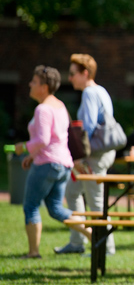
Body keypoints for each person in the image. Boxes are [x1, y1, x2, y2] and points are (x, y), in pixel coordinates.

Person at [15, 65, 91, 259]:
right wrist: (32, 156)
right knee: (56, 209)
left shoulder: (43, 109)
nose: (30, 85)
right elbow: (56, 138)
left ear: (44, 87)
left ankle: (33, 252)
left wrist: (23, 147)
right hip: (63, 164)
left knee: (31, 206)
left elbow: (43, 140)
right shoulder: (60, 106)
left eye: (34, 82)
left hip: (47, 164)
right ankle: (92, 233)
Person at [55, 54, 116, 255]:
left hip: (93, 156)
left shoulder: (90, 93)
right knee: (72, 191)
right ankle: (77, 241)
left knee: (96, 202)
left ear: (85, 73)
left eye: (73, 74)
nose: (70, 78)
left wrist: (79, 157)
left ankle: (105, 248)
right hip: (100, 154)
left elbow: (87, 128)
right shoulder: (101, 91)